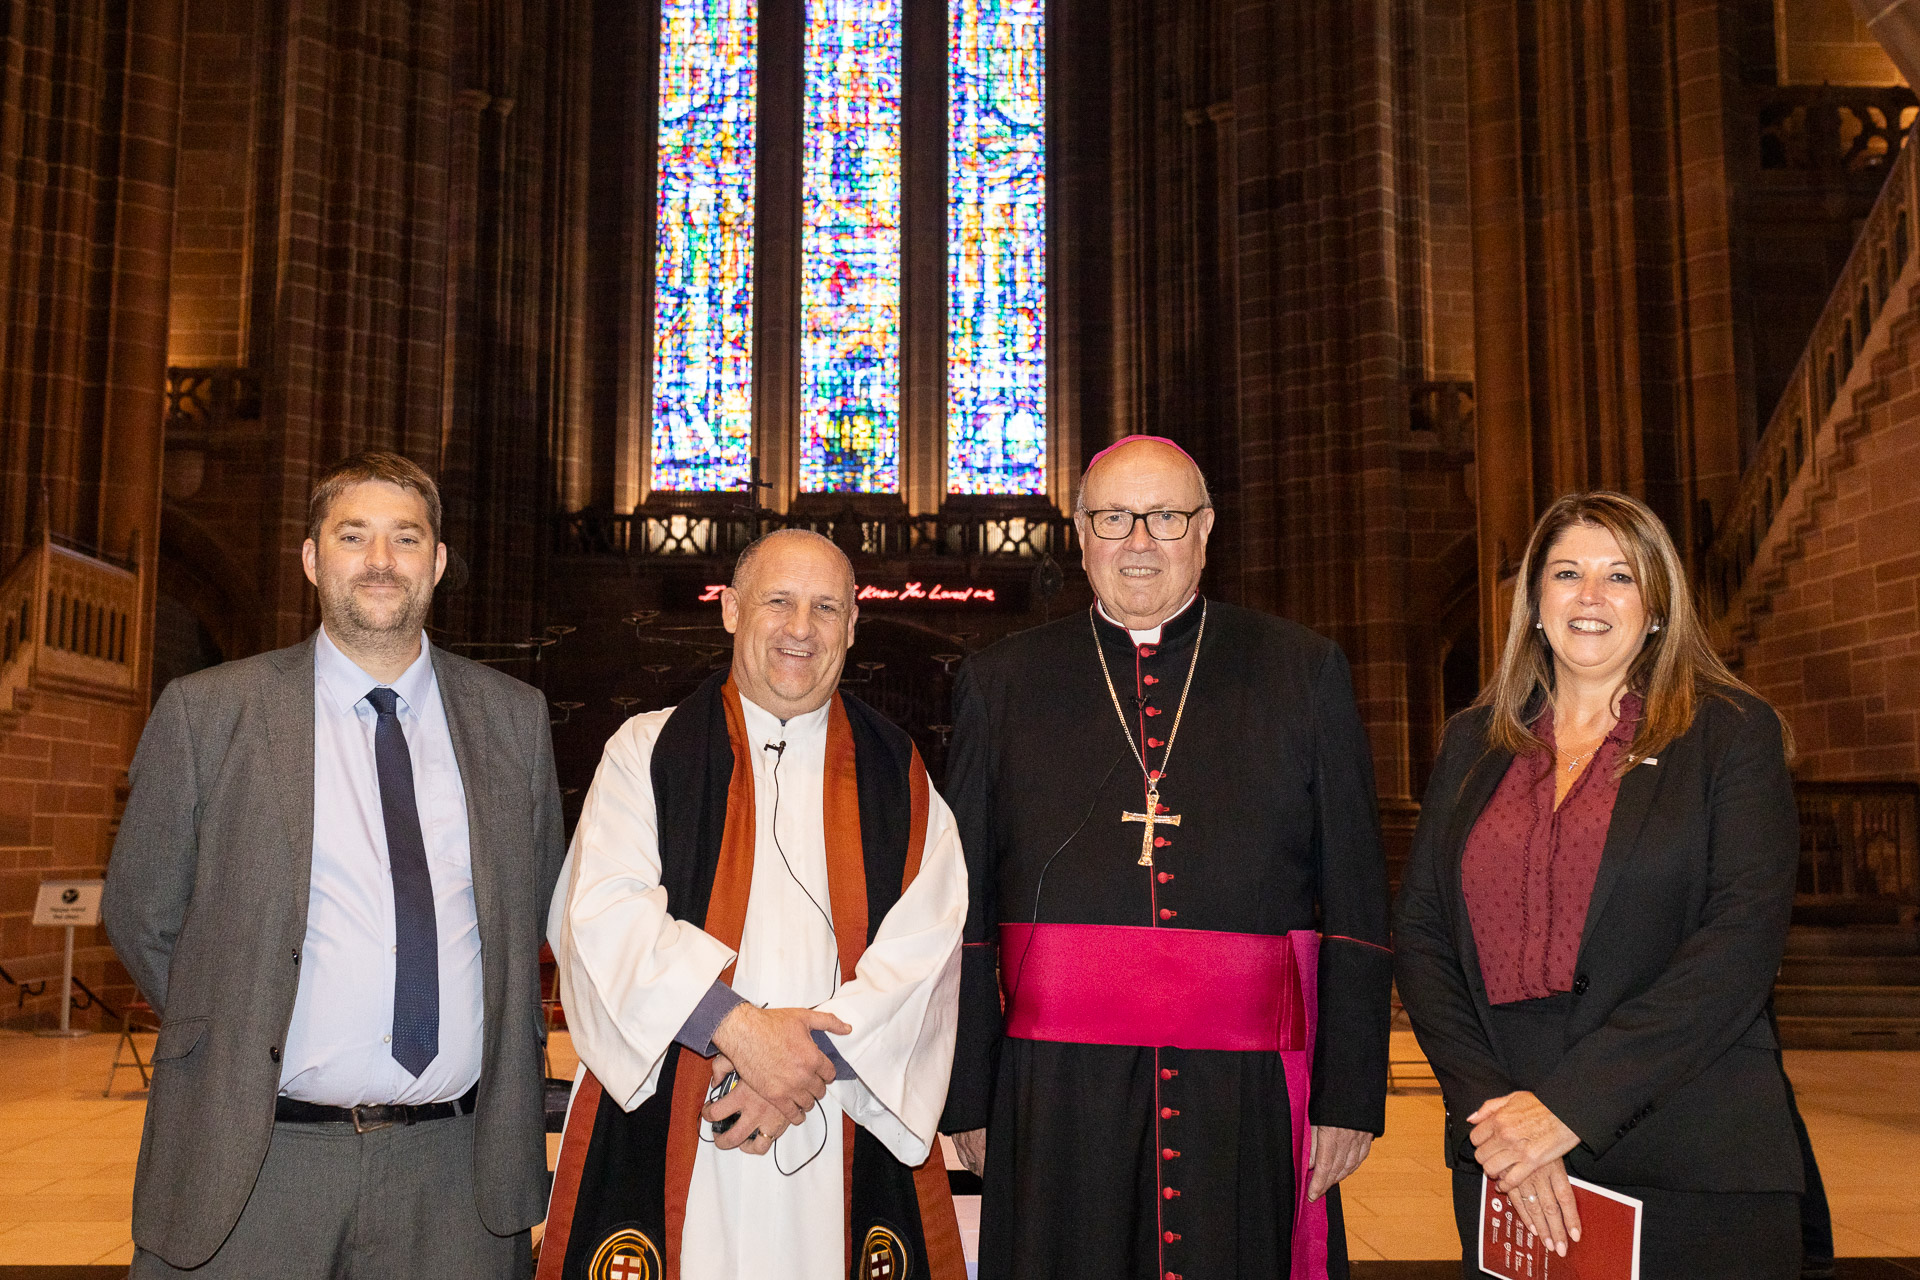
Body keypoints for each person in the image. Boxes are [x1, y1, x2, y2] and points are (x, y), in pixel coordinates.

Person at [941, 435, 1394, 1280]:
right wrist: (970, 1089)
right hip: (1055, 1087)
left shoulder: (1302, 671)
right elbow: (959, 908)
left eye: (1167, 517)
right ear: (1078, 534)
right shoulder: (1001, 682)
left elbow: (1359, 902)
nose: (1140, 541)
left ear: (1207, 529)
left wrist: (1348, 1095)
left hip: (1247, 1089)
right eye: (1113, 518)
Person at [104, 452, 566, 1277]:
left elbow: (530, 907)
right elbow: (142, 910)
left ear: (439, 563)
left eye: (406, 538)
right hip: (257, 1163)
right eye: (354, 536)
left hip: (455, 1175)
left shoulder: (513, 720)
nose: (381, 561)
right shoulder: (210, 714)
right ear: (313, 558)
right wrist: (241, 1026)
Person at [1393, 491, 1804, 1279]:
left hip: (1686, 1143)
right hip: (1506, 1145)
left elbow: (1739, 945)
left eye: (1620, 576)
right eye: (1567, 573)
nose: (1590, 596)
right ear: (1535, 602)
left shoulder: (1729, 735)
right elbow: (1421, 934)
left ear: (1656, 606)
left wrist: (1568, 1109)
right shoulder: (1473, 743)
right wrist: (1496, 1118)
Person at [541, 528, 968, 1280]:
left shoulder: (898, 773)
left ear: (852, 627)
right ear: (732, 610)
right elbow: (603, 916)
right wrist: (737, 1032)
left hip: (834, 1113)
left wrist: (804, 1067)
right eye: (779, 601)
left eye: (826, 608)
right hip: (678, 1099)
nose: (801, 629)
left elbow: (925, 948)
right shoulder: (646, 751)